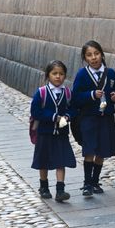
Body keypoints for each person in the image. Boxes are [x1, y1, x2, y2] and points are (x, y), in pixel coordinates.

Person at [71, 40, 115, 196]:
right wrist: (91, 95)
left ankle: (95, 181)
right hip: (89, 118)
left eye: (96, 54)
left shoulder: (111, 73)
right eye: (89, 55)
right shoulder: (82, 75)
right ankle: (87, 183)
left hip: (105, 117)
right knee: (89, 150)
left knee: (102, 150)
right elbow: (76, 97)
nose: (94, 58)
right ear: (85, 58)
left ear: (102, 54)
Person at [31, 60, 76, 202]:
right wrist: (54, 117)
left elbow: (73, 109)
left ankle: (60, 190)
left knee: (60, 161)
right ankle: (44, 186)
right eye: (54, 73)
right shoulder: (42, 93)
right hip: (44, 133)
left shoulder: (67, 93)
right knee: (43, 160)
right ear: (48, 75)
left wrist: (68, 116)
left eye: (61, 74)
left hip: (61, 134)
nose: (58, 77)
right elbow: (36, 112)